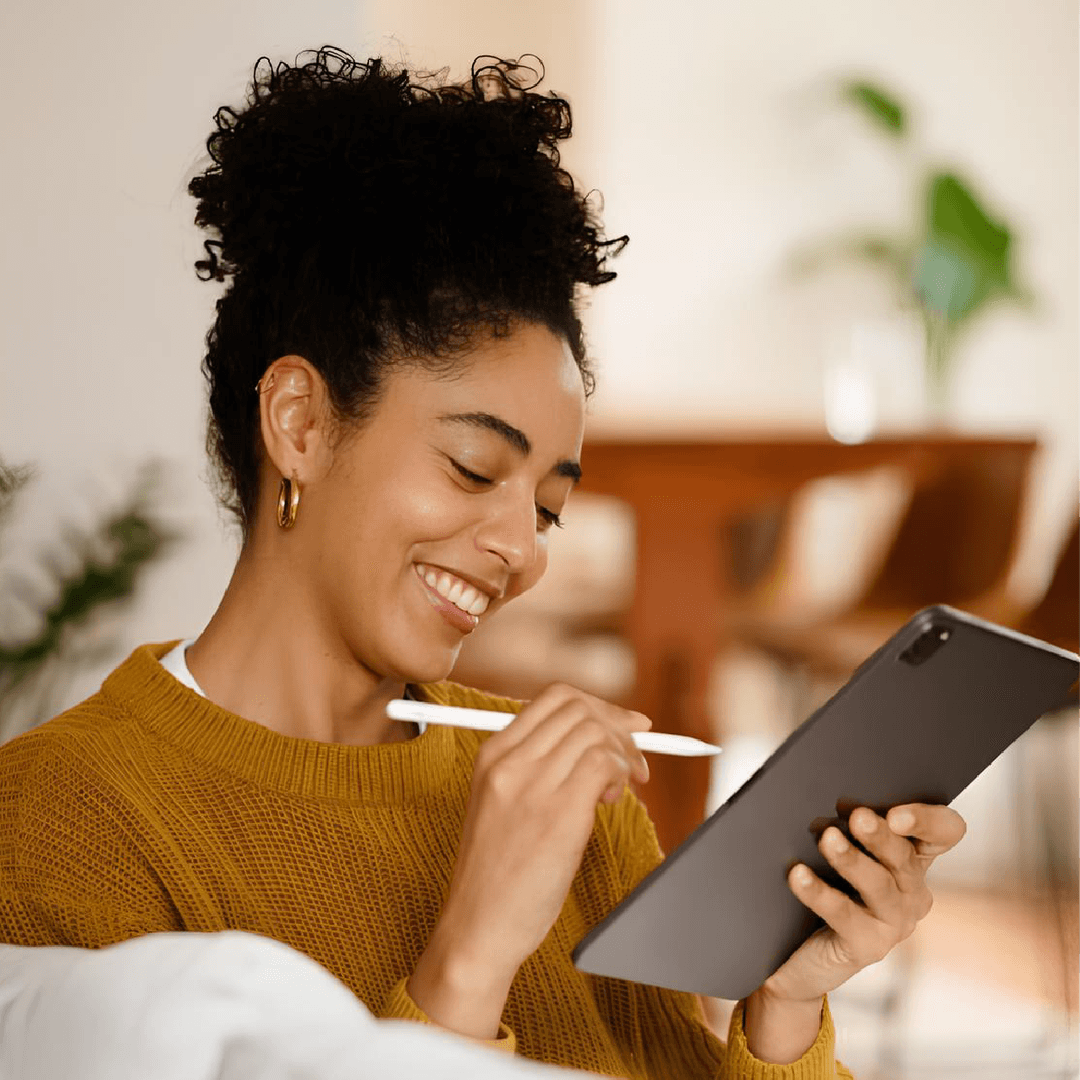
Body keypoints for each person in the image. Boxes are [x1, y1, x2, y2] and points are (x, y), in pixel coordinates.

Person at [0, 46, 965, 1078]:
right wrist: (471, 955)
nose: (520, 550)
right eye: (472, 470)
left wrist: (783, 1003)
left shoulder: (564, 785)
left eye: (549, 507)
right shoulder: (67, 815)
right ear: (301, 423)